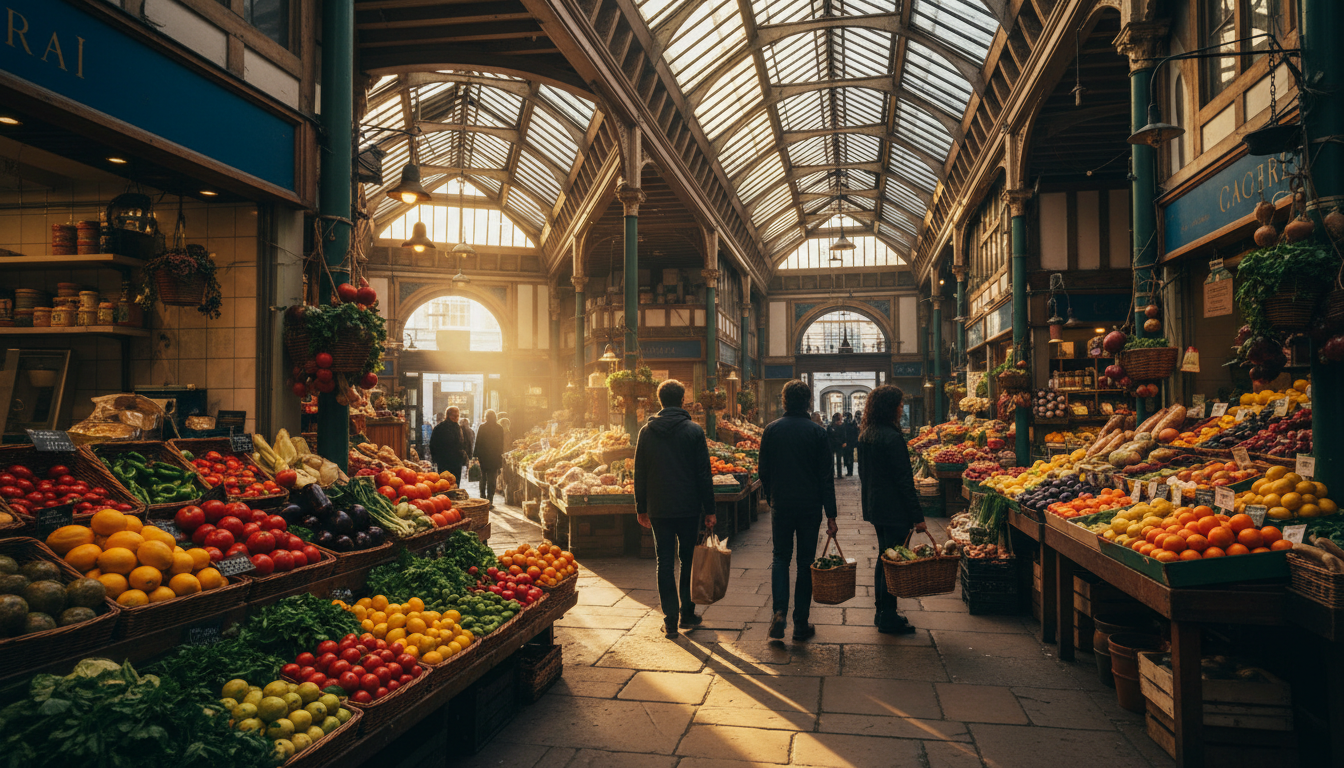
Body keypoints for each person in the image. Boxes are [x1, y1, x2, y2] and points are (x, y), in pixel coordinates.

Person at [634, 379, 716, 639]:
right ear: (682, 400)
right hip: (688, 506)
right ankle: (687, 614)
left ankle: (669, 620)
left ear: (660, 401)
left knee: (664, 562)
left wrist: (641, 507)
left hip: (659, 507)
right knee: (688, 560)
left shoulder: (646, 431)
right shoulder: (694, 431)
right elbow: (704, 474)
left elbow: (640, 474)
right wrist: (710, 509)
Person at [758, 379, 837, 641]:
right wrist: (831, 514)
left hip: (782, 503)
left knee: (780, 557)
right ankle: (801, 623)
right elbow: (826, 477)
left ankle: (779, 612)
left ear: (784, 401)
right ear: (808, 402)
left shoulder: (771, 430)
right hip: (810, 506)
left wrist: (772, 497)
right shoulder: (818, 433)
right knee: (805, 563)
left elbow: (763, 471)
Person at [857, 385, 926, 634]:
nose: (900, 408)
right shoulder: (893, 437)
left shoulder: (867, 434)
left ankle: (882, 611)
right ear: (890, 407)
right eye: (898, 404)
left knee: (884, 558)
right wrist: (917, 517)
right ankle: (888, 616)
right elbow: (904, 481)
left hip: (876, 507)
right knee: (892, 561)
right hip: (895, 509)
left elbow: (864, 476)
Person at [429, 406, 466, 486]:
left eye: (457, 416)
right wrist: (435, 458)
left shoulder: (457, 427)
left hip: (451, 460)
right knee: (447, 482)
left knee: (451, 482)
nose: (456, 418)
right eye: (454, 415)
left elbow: (462, 443)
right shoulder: (440, 428)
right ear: (448, 416)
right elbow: (433, 444)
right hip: (446, 460)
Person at [474, 410, 504, 503]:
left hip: (483, 457)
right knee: (492, 479)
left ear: (486, 417)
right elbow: (501, 444)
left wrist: (475, 456)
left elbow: (478, 442)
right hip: (494, 457)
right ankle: (490, 499)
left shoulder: (482, 427)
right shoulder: (499, 428)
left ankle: (482, 497)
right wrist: (500, 456)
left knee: (482, 478)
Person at [826, 413, 846, 478]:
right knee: (838, 460)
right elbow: (843, 435)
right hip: (839, 445)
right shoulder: (842, 426)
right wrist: (843, 442)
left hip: (831, 444)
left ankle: (832, 473)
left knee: (831, 460)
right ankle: (839, 474)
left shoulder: (830, 427)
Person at [843, 411, 859, 476]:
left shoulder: (845, 424)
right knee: (851, 457)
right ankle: (850, 471)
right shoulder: (854, 424)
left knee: (847, 457)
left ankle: (849, 471)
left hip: (847, 442)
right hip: (852, 442)